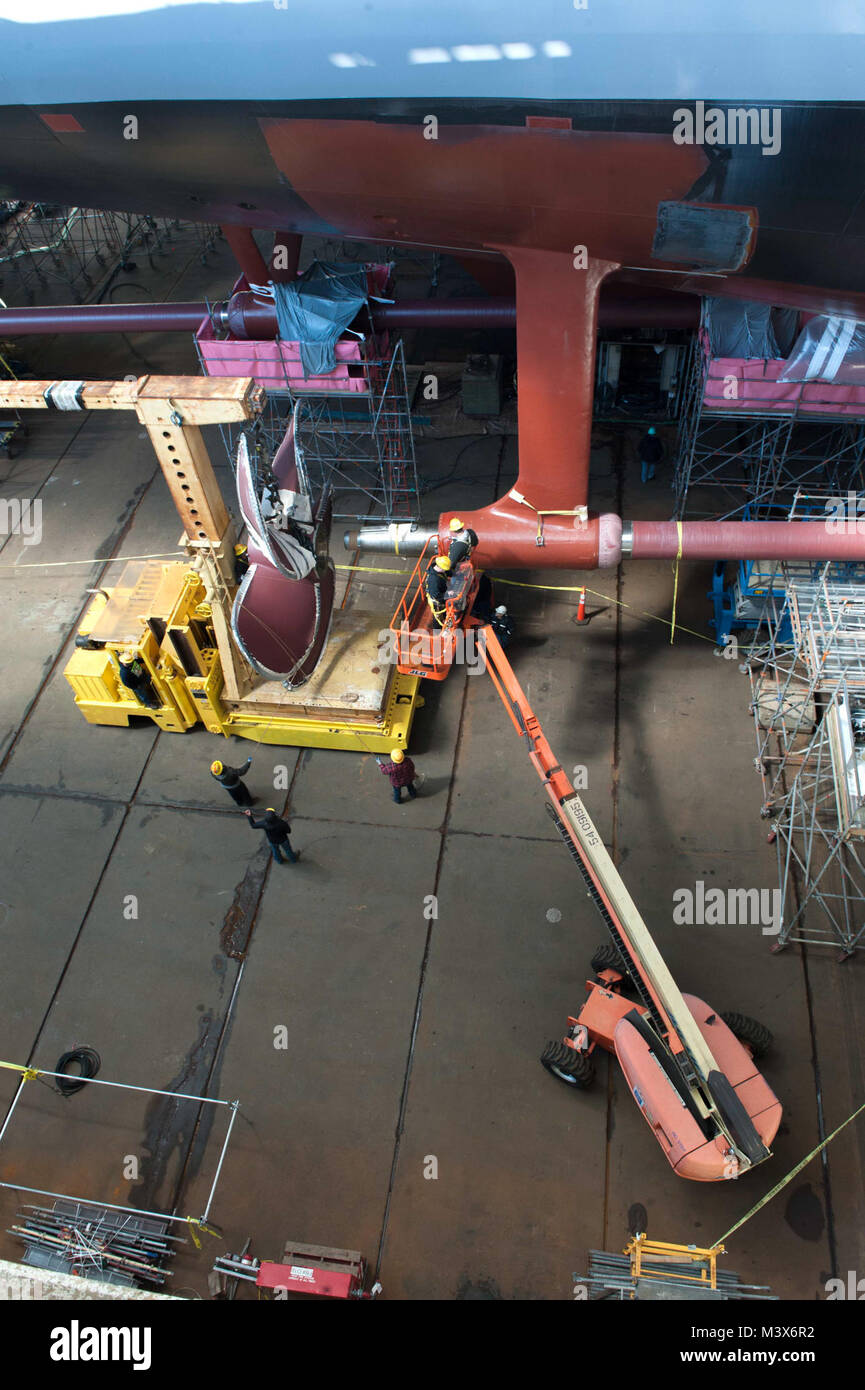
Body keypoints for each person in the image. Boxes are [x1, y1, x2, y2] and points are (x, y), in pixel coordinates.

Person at [423, 553, 451, 628]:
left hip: (442, 592)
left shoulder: (436, 568)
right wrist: (448, 595)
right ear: (441, 568)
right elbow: (436, 595)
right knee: (438, 617)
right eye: (445, 570)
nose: (445, 571)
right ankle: (437, 632)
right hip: (437, 600)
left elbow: (446, 573)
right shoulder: (434, 580)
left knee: (443, 614)